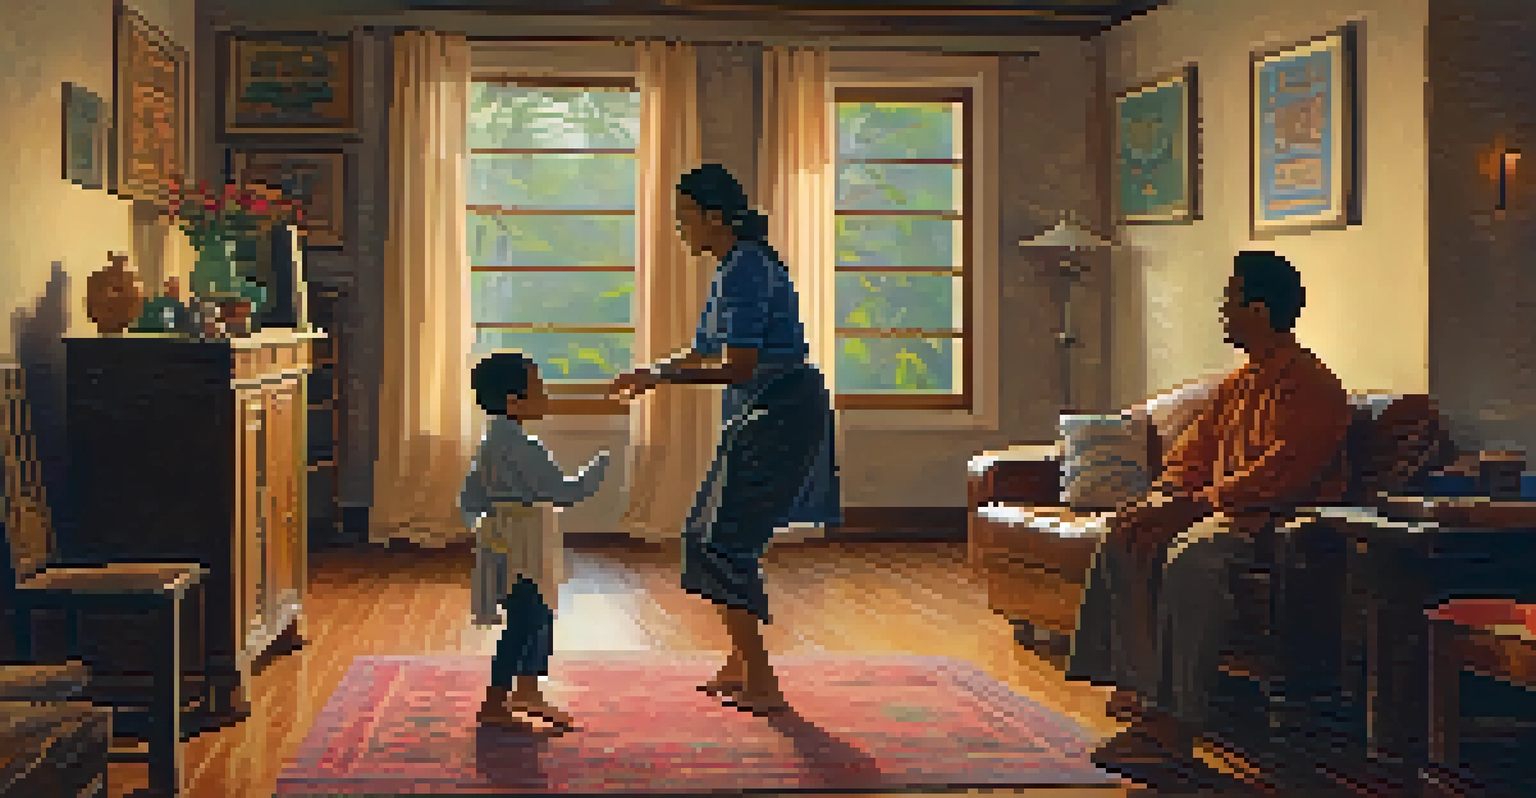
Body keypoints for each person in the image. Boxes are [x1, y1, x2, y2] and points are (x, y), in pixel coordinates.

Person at [1067, 251, 1354, 772]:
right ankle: (1142, 693)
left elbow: (1280, 476)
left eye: (1230, 299)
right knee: (1126, 530)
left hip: (1275, 526)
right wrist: (1164, 499)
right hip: (1218, 511)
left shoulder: (1312, 386)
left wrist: (1195, 507)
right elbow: (1189, 457)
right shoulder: (1237, 384)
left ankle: (1175, 727)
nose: (1222, 310)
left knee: (1190, 557)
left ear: (1260, 311)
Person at [607, 163, 842, 716]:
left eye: (685, 217)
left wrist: (662, 379)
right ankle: (739, 664)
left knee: (722, 543)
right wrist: (652, 371)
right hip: (762, 411)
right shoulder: (733, 265)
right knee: (709, 535)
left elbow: (737, 366)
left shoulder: (746, 268)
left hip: (781, 412)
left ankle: (761, 679)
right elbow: (702, 350)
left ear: (714, 216)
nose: (681, 228)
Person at [461, 350, 610, 734]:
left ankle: (527, 690)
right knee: (526, 619)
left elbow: (470, 497)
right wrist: (599, 468)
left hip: (506, 539)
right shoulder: (522, 448)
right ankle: (496, 701)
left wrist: (483, 527)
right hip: (524, 543)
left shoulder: (492, 441)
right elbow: (564, 492)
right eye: (539, 388)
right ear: (515, 402)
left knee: (537, 613)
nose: (546, 395)